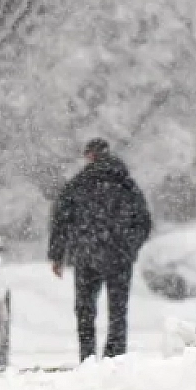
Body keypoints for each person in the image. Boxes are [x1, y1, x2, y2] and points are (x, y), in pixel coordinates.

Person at [48, 138, 153, 360]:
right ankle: (115, 356)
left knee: (85, 310)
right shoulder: (126, 184)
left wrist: (58, 256)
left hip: (86, 255)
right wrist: (130, 246)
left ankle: (86, 356)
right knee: (118, 311)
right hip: (119, 256)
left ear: (89, 156)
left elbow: (61, 221)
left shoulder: (78, 184)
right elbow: (144, 221)